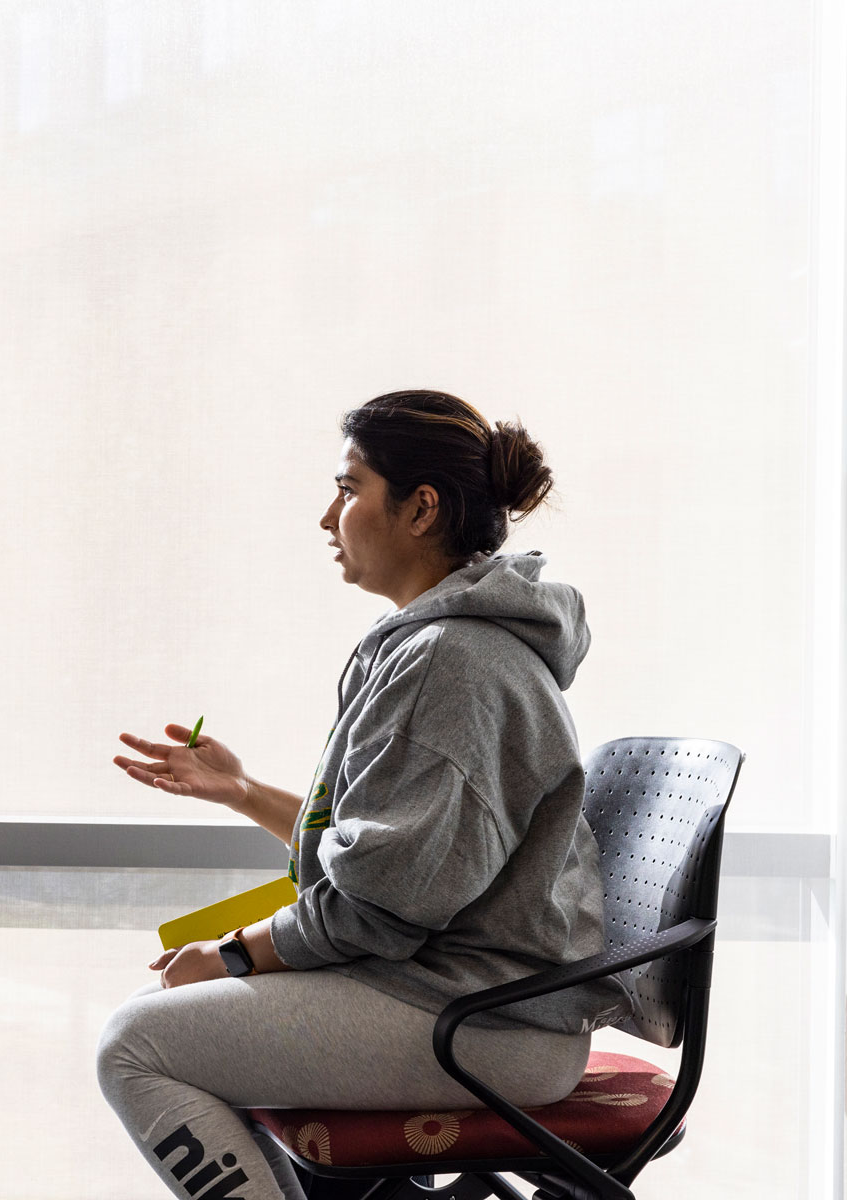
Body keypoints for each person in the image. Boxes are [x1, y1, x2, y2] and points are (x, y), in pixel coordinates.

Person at [97, 391, 628, 1200]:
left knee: (135, 1043)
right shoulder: (451, 646)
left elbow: (383, 909)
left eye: (348, 489)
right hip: (464, 997)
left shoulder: (451, 662)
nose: (327, 518)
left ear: (421, 509)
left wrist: (235, 952)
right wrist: (242, 792)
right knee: (166, 1016)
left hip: (482, 1024)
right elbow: (392, 854)